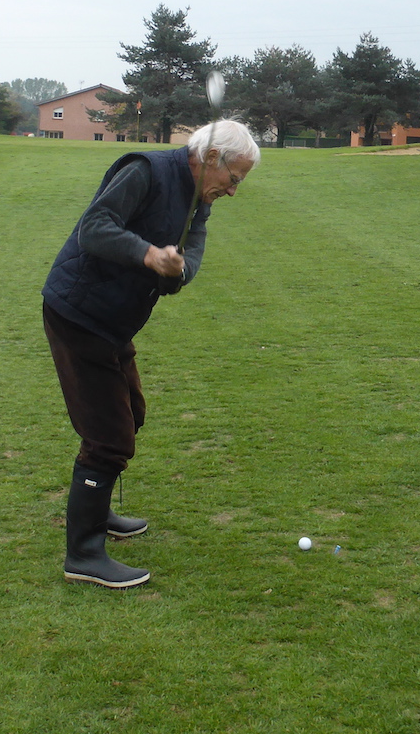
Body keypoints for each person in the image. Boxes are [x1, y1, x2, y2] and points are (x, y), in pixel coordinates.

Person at [41, 120, 260, 588]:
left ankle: (98, 513)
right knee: (110, 437)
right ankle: (83, 554)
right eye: (234, 179)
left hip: (113, 321)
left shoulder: (198, 199)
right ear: (211, 159)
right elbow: (94, 228)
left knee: (130, 413)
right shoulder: (146, 170)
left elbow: (191, 256)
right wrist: (147, 255)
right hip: (79, 313)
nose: (234, 191)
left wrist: (175, 272)